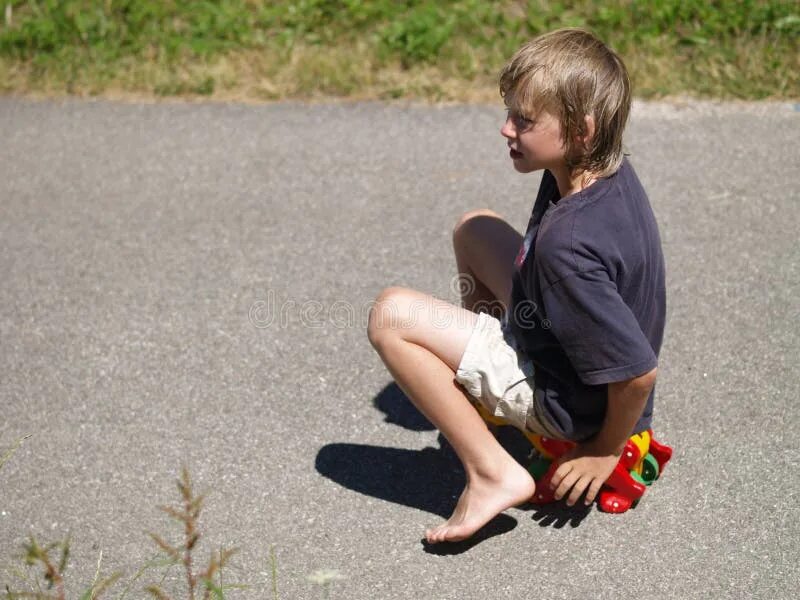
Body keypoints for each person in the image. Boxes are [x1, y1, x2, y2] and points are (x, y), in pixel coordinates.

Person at [367, 28, 666, 544]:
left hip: (567, 402)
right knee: (474, 227)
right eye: (510, 111)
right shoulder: (597, 170)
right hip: (558, 332)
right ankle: (487, 379)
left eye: (523, 119)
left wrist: (602, 451)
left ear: (582, 131)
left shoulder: (566, 250)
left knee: (390, 316)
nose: (506, 128)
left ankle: (491, 473)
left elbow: (637, 376)